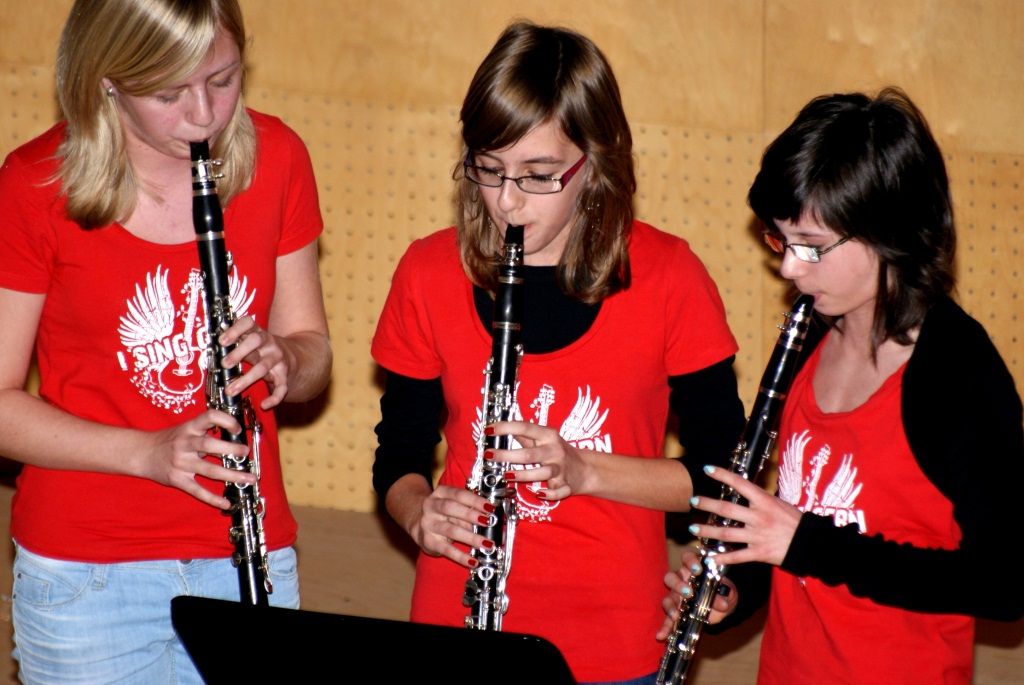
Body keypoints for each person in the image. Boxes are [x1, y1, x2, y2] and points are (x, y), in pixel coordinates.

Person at [372, 21, 745, 684]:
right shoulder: (427, 273)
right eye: (489, 169)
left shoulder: (669, 277)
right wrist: (418, 512)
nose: (507, 201)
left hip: (615, 646)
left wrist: (585, 469)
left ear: (594, 163)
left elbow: (722, 480)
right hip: (455, 622)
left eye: (539, 175)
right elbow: (399, 456)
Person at [0, 0, 331, 681]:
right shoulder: (35, 185)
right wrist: (147, 452)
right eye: (168, 94)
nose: (204, 116)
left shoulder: (278, 158)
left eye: (223, 80)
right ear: (107, 82)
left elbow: (313, 353)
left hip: (247, 557)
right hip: (86, 575)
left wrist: (287, 358)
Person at [660, 88, 1024, 684]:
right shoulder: (808, 336)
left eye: (812, 246)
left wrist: (804, 543)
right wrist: (736, 589)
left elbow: (1003, 583)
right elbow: (794, 533)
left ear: (890, 232)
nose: (789, 268)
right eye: (781, 240)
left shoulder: (958, 373)